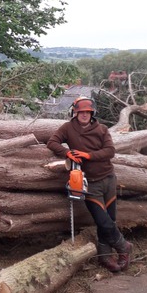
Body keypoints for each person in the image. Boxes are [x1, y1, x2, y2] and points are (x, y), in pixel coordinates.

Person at [46, 96, 132, 272]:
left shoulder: (101, 129)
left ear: (92, 113)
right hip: (89, 183)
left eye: (87, 112)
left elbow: (110, 152)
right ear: (75, 112)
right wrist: (67, 153)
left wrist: (87, 155)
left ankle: (104, 257)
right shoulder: (68, 128)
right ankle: (123, 246)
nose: (84, 115)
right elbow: (52, 142)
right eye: (81, 112)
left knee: (109, 220)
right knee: (103, 220)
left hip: (108, 179)